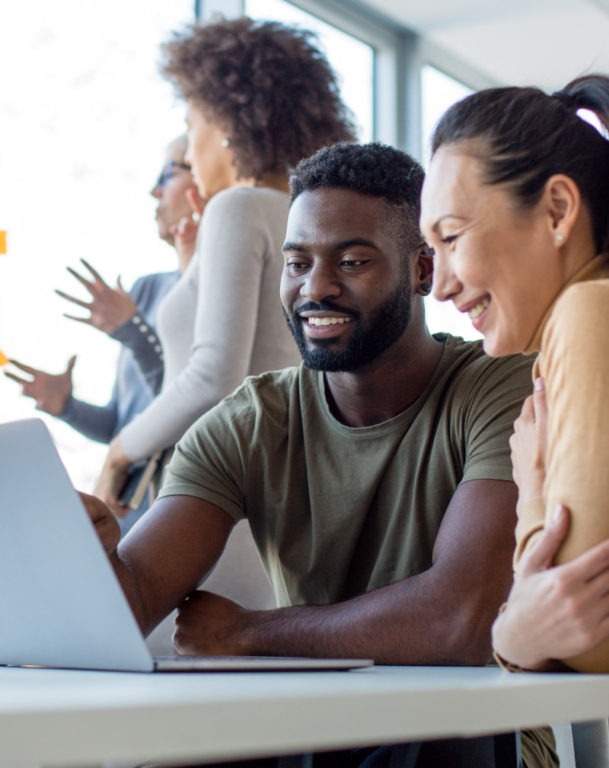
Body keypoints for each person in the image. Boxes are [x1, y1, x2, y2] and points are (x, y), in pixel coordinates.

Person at [85, 142, 555, 767]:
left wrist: (251, 633)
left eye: (353, 261)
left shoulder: (499, 387)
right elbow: (136, 596)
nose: (317, 288)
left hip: (473, 730)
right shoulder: (249, 422)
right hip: (320, 724)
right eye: (297, 263)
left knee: (424, 737)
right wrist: (82, 560)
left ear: (422, 270)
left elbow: (461, 621)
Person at [93, 17, 356, 515]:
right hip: (275, 484)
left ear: (229, 122)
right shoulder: (308, 215)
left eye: (193, 127)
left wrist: (118, 451)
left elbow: (214, 375)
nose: (191, 149)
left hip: (213, 492)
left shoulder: (237, 208)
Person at [420, 73, 609, 674]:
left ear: (557, 210)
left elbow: (580, 630)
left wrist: (531, 491)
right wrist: (515, 636)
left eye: (451, 237)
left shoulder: (588, 312)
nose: (441, 284)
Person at [5, 134, 199, 532]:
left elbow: (192, 399)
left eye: (168, 173)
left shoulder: (217, 296)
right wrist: (68, 407)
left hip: (174, 504)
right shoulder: (145, 289)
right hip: (125, 508)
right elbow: (121, 424)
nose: (153, 190)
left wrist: (133, 332)